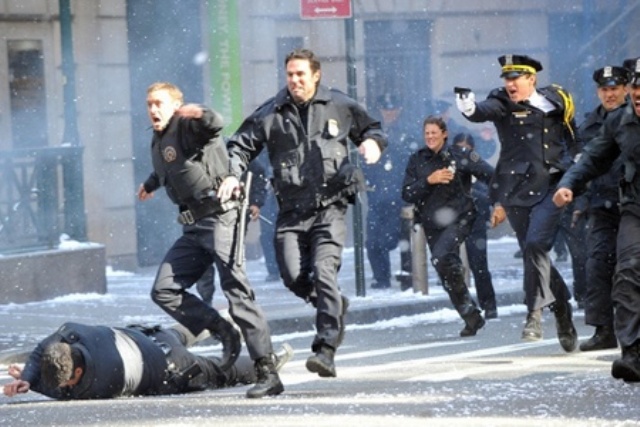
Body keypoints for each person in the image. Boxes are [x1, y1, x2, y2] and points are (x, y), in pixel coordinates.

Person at [217, 48, 387, 378]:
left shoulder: (338, 104)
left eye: (300, 74)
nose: (294, 80)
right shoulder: (272, 112)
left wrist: (372, 144)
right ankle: (333, 303)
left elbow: (372, 129)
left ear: (316, 75)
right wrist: (232, 174)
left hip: (330, 207)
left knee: (324, 270)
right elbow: (240, 145)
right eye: (290, 75)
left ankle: (326, 348)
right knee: (293, 276)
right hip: (292, 211)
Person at [137, 82, 283, 398]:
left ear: (176, 106)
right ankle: (223, 330)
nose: (153, 109)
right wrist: (149, 184)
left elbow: (214, 125)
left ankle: (267, 371)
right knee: (163, 290)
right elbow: (169, 170)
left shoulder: (187, 126)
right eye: (149, 104)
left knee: (236, 292)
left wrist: (200, 113)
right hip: (193, 228)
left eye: (159, 103)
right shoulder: (159, 137)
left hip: (220, 219)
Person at [455, 54, 579, 352]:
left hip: (551, 187)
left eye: (515, 79)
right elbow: (483, 111)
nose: (510, 84)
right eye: (506, 79)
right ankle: (562, 309)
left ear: (531, 79)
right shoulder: (501, 101)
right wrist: (469, 107)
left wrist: (576, 169)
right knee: (534, 253)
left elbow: (573, 136)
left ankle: (533, 314)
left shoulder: (556, 99)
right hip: (516, 191)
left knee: (535, 245)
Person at [553, 61, 640, 381]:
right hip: (629, 206)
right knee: (623, 271)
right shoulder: (617, 121)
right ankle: (632, 352)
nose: (638, 96)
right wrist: (569, 185)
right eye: (637, 90)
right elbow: (591, 158)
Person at [2, 322, 293, 400]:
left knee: (219, 371)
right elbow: (42, 349)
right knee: (175, 334)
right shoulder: (72, 333)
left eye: (68, 381)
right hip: (149, 337)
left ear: (78, 371)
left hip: (171, 368)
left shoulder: (96, 382)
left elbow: (62, 394)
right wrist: (29, 374)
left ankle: (267, 362)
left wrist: (32, 383)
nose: (67, 386)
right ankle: (215, 321)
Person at [402, 116, 504, 336]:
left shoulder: (461, 155)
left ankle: (480, 305)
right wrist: (429, 180)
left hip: (460, 218)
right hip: (431, 222)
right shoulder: (417, 159)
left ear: (444, 134)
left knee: (442, 258)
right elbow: (407, 193)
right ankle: (471, 317)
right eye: (427, 133)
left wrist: (498, 203)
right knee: (445, 269)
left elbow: (491, 176)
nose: (430, 137)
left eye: (434, 133)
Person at [574, 65, 628, 351]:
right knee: (596, 264)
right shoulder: (588, 126)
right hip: (602, 204)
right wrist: (579, 202)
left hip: (632, 202)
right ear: (598, 92)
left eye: (614, 88)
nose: (610, 94)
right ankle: (603, 329)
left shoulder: (634, 118)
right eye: (605, 89)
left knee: (631, 267)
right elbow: (583, 167)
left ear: (625, 89)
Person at [195, 159, 270, 305]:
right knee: (203, 256)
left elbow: (257, 174)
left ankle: (241, 302)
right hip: (206, 212)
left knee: (231, 260)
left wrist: (255, 202)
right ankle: (207, 299)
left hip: (233, 214)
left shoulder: (234, 154)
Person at [364, 93, 413, 290]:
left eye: (392, 109)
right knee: (373, 242)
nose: (389, 113)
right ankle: (381, 277)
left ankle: (408, 276)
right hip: (378, 195)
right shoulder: (374, 132)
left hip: (399, 195)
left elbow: (410, 162)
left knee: (396, 239)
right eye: (386, 109)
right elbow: (366, 161)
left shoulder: (407, 132)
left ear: (399, 110)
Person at [452, 133, 498, 319]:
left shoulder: (478, 168)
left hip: (475, 218)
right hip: (454, 219)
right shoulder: (450, 167)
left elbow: (490, 187)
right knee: (450, 264)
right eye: (459, 148)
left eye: (466, 148)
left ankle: (489, 305)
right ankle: (466, 305)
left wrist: (472, 192)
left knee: (478, 264)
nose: (463, 152)